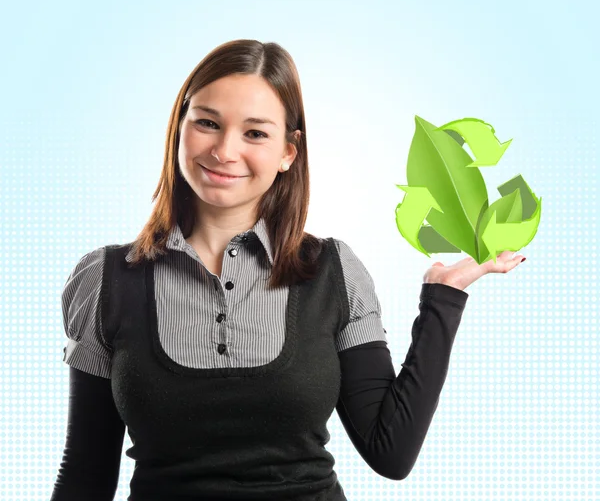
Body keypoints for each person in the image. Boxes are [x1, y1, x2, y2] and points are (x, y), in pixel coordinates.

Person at [49, 39, 526, 501]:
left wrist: (442, 300)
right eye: (208, 123)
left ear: (287, 153)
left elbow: (391, 452)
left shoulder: (334, 273)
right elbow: (86, 475)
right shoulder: (105, 280)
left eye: (255, 133)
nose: (225, 150)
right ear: (179, 128)